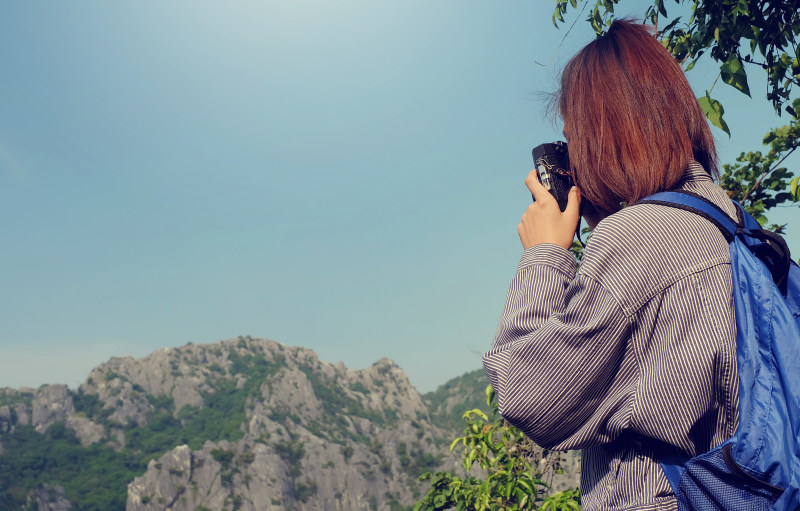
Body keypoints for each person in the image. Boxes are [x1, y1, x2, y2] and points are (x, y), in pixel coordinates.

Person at [482, 19, 738, 511]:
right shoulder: (734, 226)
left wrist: (545, 254)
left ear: (604, 134)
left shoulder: (641, 237)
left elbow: (527, 394)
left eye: (574, 138)